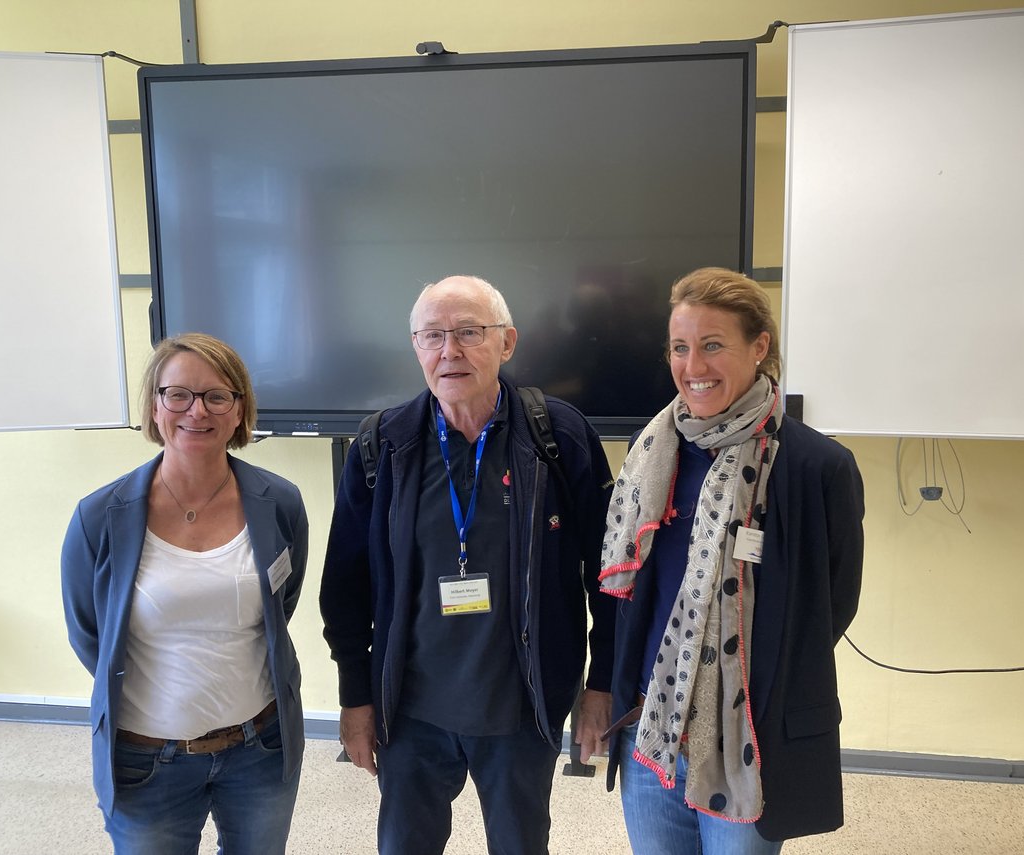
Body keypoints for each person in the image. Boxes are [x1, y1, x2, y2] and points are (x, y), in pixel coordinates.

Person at [320, 274, 616, 855]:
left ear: (507, 343)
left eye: (468, 333)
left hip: (521, 707)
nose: (448, 351)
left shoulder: (558, 435)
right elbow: (345, 587)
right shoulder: (383, 446)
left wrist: (601, 685)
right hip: (410, 710)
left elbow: (608, 574)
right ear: (416, 347)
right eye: (432, 335)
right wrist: (355, 698)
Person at [600, 267, 864, 853]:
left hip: (748, 737)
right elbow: (626, 596)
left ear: (759, 346)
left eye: (713, 345)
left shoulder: (818, 467)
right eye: (680, 347)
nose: (693, 366)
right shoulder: (653, 454)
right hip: (653, 726)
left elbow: (833, 605)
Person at [61, 333, 308, 855]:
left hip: (260, 748)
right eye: (178, 394)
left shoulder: (278, 503)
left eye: (217, 396)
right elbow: (91, 634)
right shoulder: (99, 517)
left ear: (239, 410)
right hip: (145, 760)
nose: (197, 410)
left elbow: (280, 605)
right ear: (155, 405)